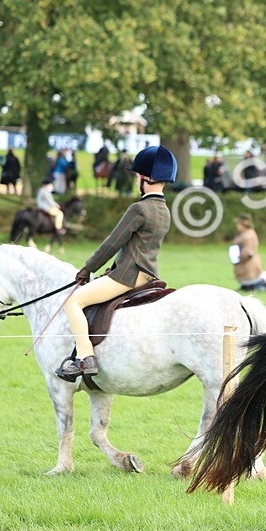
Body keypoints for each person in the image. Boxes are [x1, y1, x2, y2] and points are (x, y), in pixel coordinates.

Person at [56, 145, 174, 380]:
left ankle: (85, 357)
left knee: (73, 301)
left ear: (146, 178)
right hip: (149, 274)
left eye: (137, 176)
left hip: (128, 275)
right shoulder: (164, 211)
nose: (136, 180)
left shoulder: (139, 208)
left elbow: (112, 243)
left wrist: (88, 268)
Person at [231, 215, 266, 292]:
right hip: (248, 262)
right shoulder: (246, 233)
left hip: (248, 263)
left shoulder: (247, 235)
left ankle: (263, 288)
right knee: (248, 282)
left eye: (238, 224)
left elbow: (247, 250)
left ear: (242, 225)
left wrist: (239, 258)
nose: (236, 226)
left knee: (252, 281)